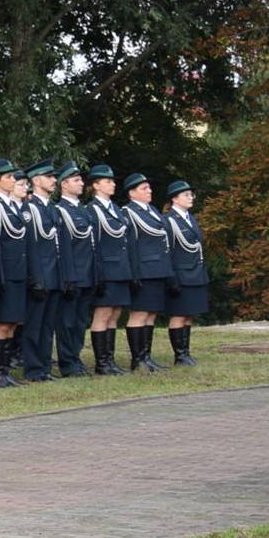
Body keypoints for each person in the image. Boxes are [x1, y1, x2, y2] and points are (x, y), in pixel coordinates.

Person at [121, 173, 173, 373]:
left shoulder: (152, 211)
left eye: (149, 187)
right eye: (144, 188)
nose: (149, 191)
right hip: (143, 270)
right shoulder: (129, 213)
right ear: (132, 193)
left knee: (151, 314)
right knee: (139, 314)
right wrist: (133, 273)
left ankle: (146, 356)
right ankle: (137, 359)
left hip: (157, 269)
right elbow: (130, 245)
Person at [0, 159, 29, 386]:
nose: (14, 180)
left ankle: (5, 370)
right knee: (1, 323)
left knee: (12, 322)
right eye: (9, 177)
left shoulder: (13, 206)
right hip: (6, 272)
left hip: (18, 271)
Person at [20, 160, 64, 383]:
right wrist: (35, 278)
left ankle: (44, 366)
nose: (54, 181)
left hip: (54, 275)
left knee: (48, 326)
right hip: (41, 276)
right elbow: (31, 246)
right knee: (35, 325)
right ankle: (33, 368)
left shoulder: (50, 208)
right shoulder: (29, 209)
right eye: (49, 177)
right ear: (36, 180)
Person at [52, 162, 97, 378]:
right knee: (67, 322)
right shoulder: (60, 210)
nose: (82, 184)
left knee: (80, 322)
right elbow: (64, 247)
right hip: (72, 275)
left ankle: (76, 357)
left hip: (87, 273)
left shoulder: (82, 210)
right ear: (64, 184)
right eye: (76, 180)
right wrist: (68, 276)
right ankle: (67, 362)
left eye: (81, 180)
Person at [86, 165, 131, 375]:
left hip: (120, 267)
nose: (112, 184)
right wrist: (98, 273)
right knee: (102, 314)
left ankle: (110, 359)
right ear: (95, 185)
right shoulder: (92, 210)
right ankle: (101, 363)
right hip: (106, 268)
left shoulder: (115, 209)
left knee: (115, 314)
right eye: (107, 181)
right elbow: (93, 244)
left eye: (112, 181)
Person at [163, 181, 206, 366]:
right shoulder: (169, 220)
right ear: (174, 198)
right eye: (186, 195)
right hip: (181, 273)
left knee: (189, 314)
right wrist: (171, 277)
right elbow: (167, 250)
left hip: (195, 272)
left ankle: (186, 352)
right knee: (179, 314)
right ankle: (179, 355)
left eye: (191, 194)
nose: (191, 198)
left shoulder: (190, 218)